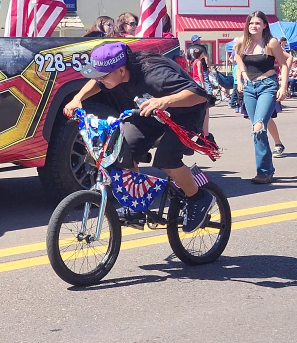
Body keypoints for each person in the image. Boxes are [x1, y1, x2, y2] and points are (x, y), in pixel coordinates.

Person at [63, 42, 216, 232]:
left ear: (120, 70)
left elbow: (200, 95)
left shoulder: (155, 76)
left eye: (103, 75)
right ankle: (134, 206)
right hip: (150, 112)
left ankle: (198, 199)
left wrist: (164, 101)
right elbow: (97, 81)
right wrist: (78, 98)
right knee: (124, 148)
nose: (100, 80)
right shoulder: (113, 75)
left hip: (185, 112)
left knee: (166, 160)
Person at [233, 11, 290, 184]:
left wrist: (283, 86)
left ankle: (264, 172)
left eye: (257, 23)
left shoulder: (271, 43)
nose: (254, 26)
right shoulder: (242, 41)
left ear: (264, 25)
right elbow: (237, 57)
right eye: (251, 23)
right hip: (249, 88)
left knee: (258, 127)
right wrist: (241, 77)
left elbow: (284, 63)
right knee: (256, 129)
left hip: (268, 86)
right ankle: (267, 169)